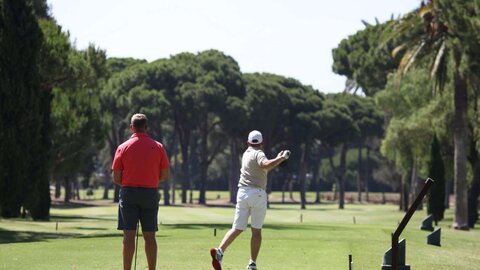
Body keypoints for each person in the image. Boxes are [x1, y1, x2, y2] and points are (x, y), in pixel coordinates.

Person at [210, 130, 290, 270]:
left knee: (237, 228)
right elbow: (265, 164)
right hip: (257, 194)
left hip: (242, 193)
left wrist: (277, 159)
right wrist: (282, 158)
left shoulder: (246, 153)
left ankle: (220, 251)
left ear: (248, 142)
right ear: (262, 143)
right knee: (256, 231)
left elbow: (262, 169)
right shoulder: (259, 153)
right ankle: (252, 263)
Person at [112, 113, 170, 270]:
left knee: (128, 235)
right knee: (150, 236)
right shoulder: (158, 147)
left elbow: (116, 177)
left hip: (129, 192)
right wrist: (151, 180)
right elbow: (165, 175)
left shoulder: (122, 147)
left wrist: (129, 182)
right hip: (150, 193)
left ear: (132, 128)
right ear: (146, 127)